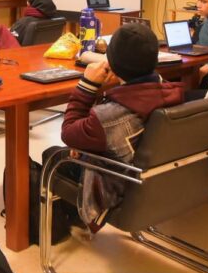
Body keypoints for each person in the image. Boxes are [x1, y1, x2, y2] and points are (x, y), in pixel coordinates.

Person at [48, 23, 185, 230]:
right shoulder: (173, 91)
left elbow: (68, 133)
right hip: (158, 181)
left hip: (116, 191)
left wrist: (87, 86)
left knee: (53, 155)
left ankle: (68, 222)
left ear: (111, 63)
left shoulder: (108, 117)